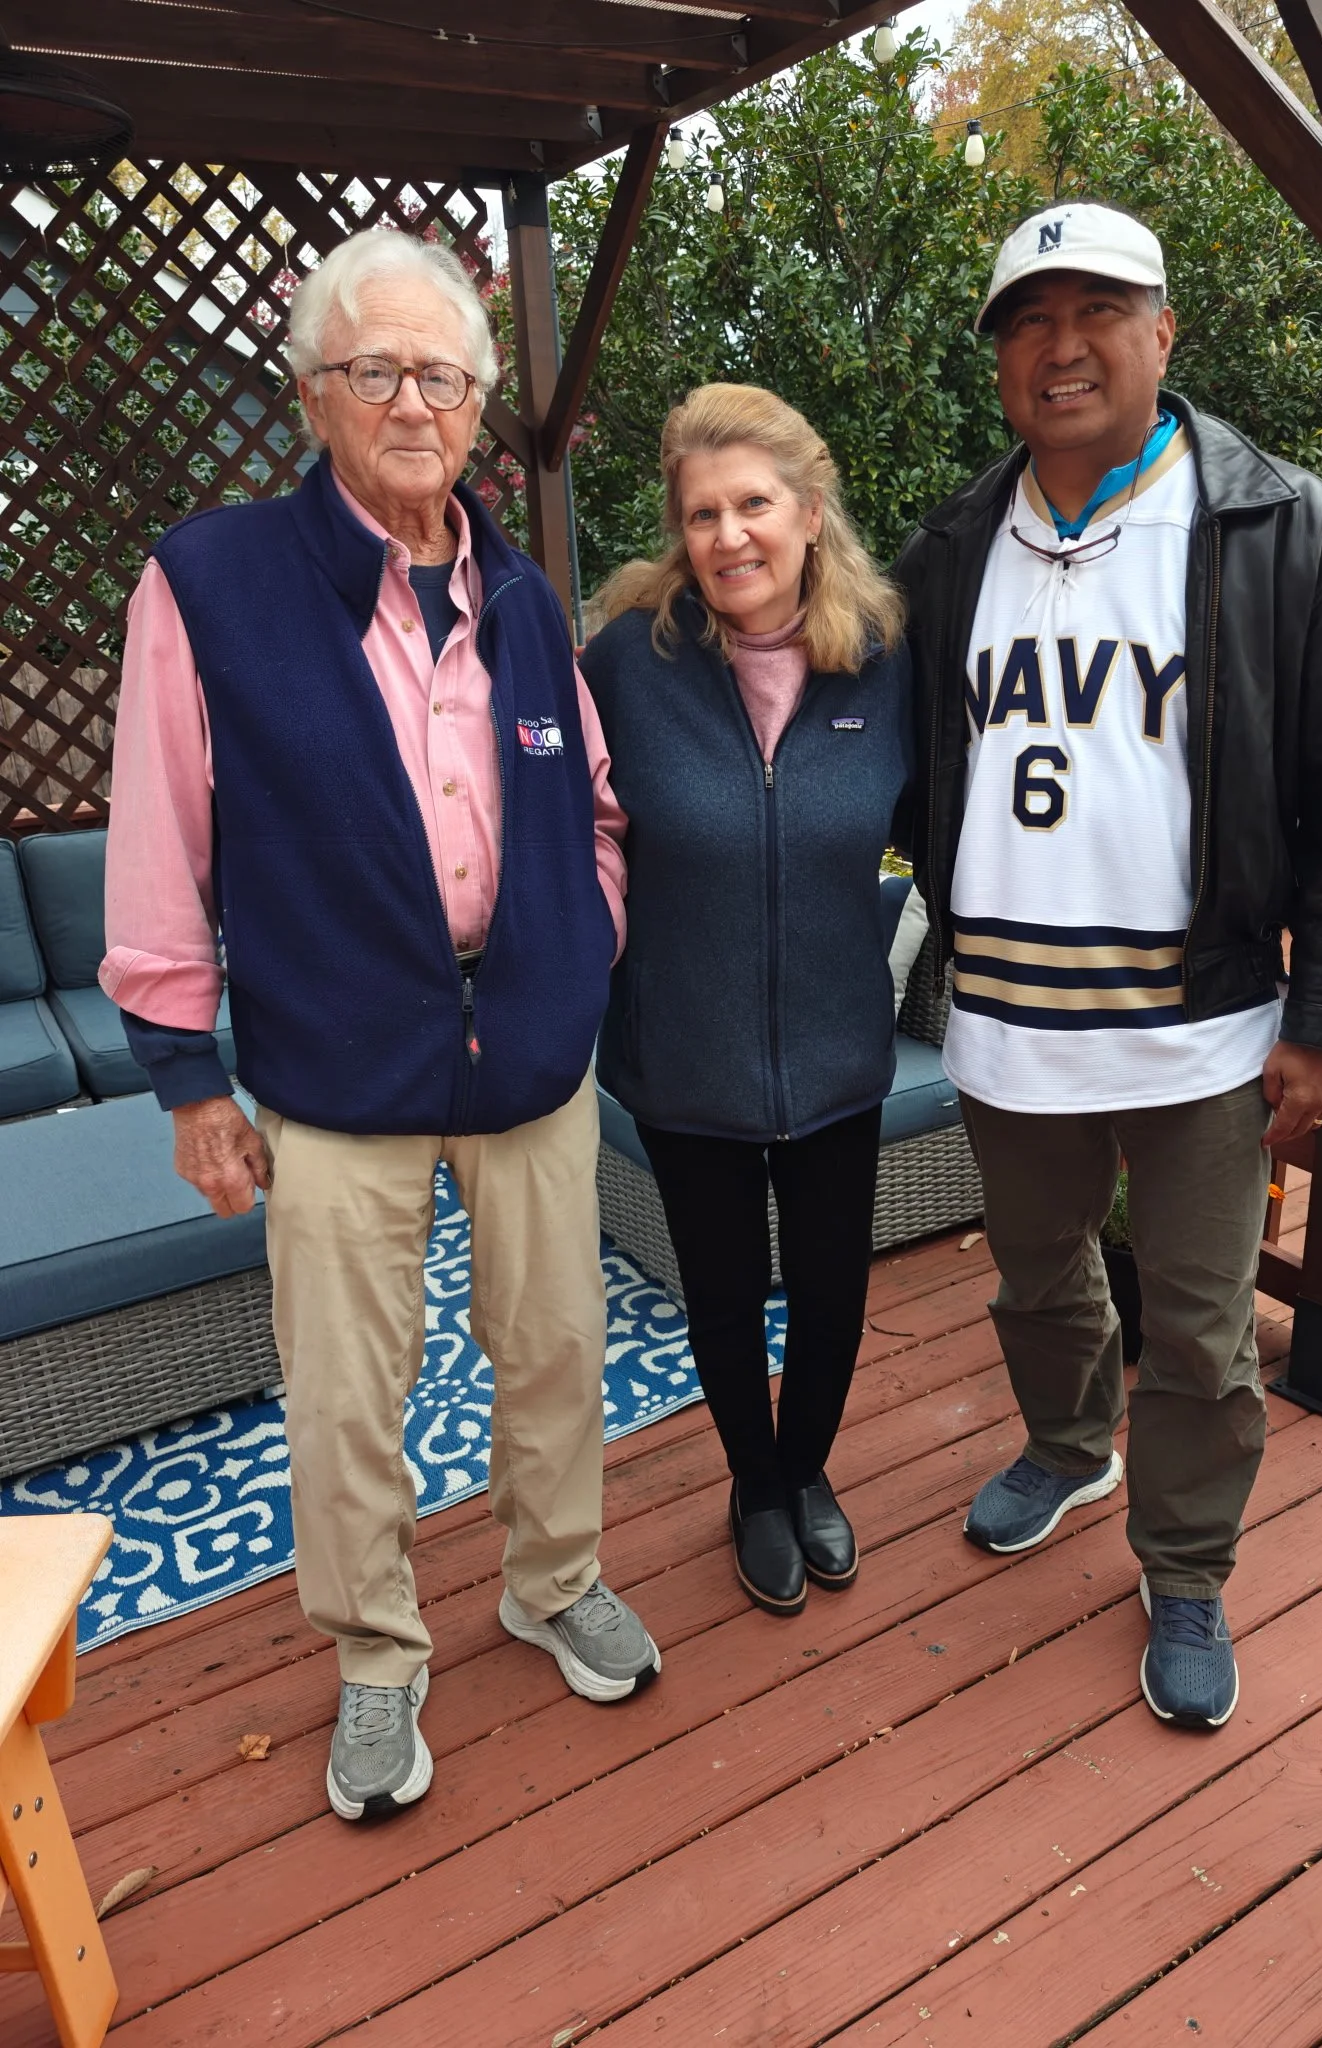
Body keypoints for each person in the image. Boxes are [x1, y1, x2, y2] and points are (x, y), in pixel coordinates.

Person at [101, 229, 659, 1824]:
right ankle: (374, 1652)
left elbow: (593, 805)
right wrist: (185, 1076)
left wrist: (579, 948)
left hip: (531, 1061)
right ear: (312, 395)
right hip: (336, 1072)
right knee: (349, 1391)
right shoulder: (209, 584)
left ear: (478, 405)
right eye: (377, 371)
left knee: (556, 1348)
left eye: (444, 375)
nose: (415, 403)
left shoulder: (525, 595)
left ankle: (553, 1582)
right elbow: (159, 842)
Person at [895, 202, 1322, 1728]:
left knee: (1199, 1325)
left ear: (1163, 332)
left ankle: (1184, 1567)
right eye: (1028, 321)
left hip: (1202, 1028)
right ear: (1001, 360)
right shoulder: (949, 551)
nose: (1061, 347)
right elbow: (911, 769)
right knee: (1039, 1277)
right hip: (1009, 1025)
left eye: (1097, 312)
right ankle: (1069, 1449)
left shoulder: (1283, 529)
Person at [580, 384, 911, 1617]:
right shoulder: (628, 661)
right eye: (702, 513)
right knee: (721, 1297)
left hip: (835, 1051)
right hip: (685, 1053)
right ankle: (755, 1487)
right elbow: (572, 831)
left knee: (832, 1293)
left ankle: (806, 1465)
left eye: (754, 504)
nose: (729, 536)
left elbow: (947, 822)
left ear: (810, 512)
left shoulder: (884, 658)